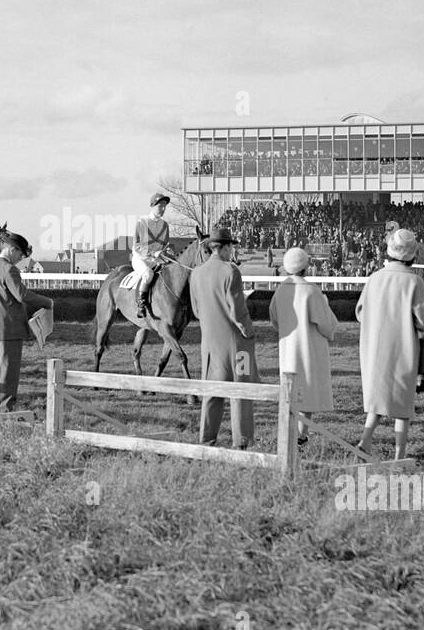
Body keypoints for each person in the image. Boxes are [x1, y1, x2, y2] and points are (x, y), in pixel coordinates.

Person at [356, 228, 424, 461]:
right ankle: (399, 454)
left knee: (379, 397)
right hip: (403, 348)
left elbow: (359, 312)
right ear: (412, 254)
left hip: (373, 349)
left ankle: (366, 440)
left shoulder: (375, 278)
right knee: (401, 402)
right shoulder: (414, 281)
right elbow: (423, 321)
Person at [190, 225, 259, 448]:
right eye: (232, 248)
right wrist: (249, 331)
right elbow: (238, 312)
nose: (232, 252)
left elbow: (197, 311)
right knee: (242, 393)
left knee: (212, 394)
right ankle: (243, 441)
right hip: (237, 344)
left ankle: (207, 440)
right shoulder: (231, 271)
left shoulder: (197, 273)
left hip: (210, 344)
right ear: (226, 247)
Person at [0, 229, 53, 412]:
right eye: (20, 254)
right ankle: (6, 411)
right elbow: (22, 294)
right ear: (12, 249)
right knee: (8, 371)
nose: (20, 259)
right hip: (9, 328)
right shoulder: (9, 269)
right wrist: (47, 302)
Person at [269, 247, 339, 445]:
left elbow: (274, 319)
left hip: (287, 348)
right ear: (305, 267)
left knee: (291, 392)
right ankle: (301, 434)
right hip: (309, 348)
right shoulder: (311, 290)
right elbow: (326, 323)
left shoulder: (280, 290)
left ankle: (293, 434)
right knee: (307, 390)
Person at [131, 192, 173, 319]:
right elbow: (136, 245)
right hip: (141, 258)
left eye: (165, 206)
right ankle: (141, 304)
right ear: (153, 206)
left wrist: (168, 252)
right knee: (148, 274)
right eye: (160, 206)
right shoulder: (141, 222)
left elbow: (165, 245)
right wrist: (152, 253)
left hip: (157, 260)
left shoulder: (165, 225)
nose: (163, 209)